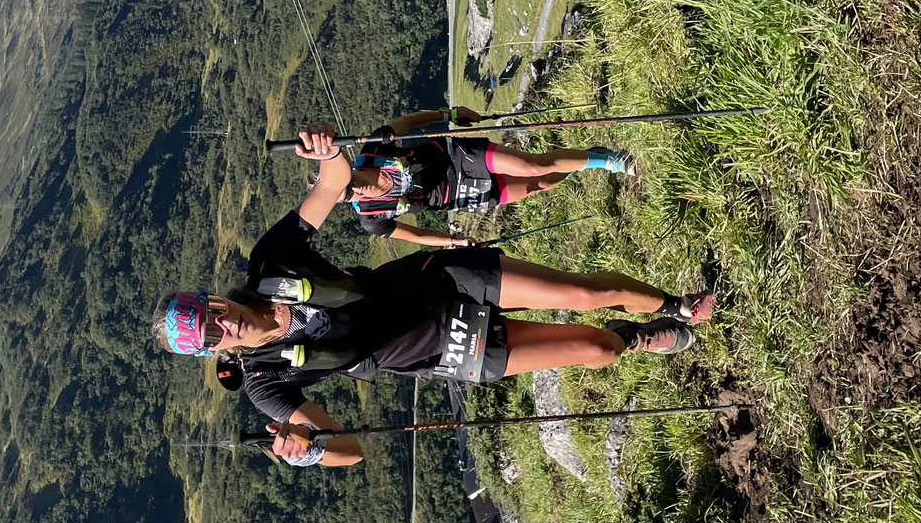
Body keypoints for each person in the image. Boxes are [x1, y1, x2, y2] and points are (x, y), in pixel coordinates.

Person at [153, 125, 715, 468]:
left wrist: (326, 148)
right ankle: (634, 339)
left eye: (209, 313)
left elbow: (332, 185)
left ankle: (676, 307)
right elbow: (351, 449)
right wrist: (310, 450)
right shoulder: (265, 384)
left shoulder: (270, 260)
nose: (221, 325)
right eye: (209, 336)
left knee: (588, 292)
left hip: (439, 280)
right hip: (436, 349)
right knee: (596, 350)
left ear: (212, 298)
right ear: (211, 352)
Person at [333, 106, 636, 247]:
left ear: (350, 169)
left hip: (459, 157)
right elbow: (417, 236)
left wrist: (448, 115)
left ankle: (609, 161)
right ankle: (585, 157)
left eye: (351, 184)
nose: (356, 192)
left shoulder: (372, 148)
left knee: (532, 167)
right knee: (539, 184)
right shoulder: (371, 218)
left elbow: (408, 121)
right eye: (348, 196)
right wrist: (455, 241)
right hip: (463, 195)